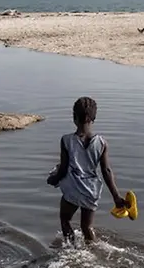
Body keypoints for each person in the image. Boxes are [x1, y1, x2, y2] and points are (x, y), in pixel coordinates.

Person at [47, 97, 126, 244]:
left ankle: (72, 249)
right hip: (91, 190)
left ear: (74, 117)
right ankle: (93, 250)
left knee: (65, 220)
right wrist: (116, 196)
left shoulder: (66, 140)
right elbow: (106, 171)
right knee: (87, 227)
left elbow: (63, 169)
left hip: (73, 189)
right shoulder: (102, 143)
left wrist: (53, 179)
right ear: (94, 118)